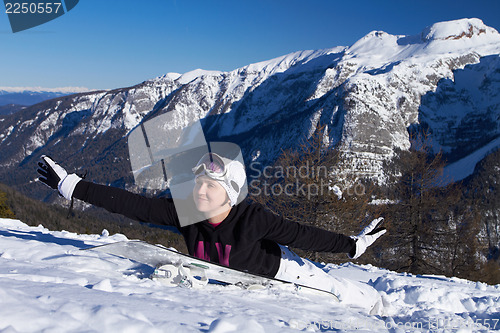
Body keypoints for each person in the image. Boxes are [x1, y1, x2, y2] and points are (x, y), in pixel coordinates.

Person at [37, 153, 386, 313]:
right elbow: (134, 205)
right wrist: (73, 186)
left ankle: (380, 305)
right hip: (229, 279)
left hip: (285, 272)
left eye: (210, 186)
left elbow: (303, 236)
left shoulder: (253, 219)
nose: (200, 191)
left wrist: (352, 246)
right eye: (199, 183)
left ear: (231, 194)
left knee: (343, 296)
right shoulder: (184, 213)